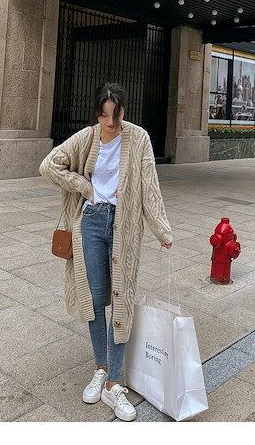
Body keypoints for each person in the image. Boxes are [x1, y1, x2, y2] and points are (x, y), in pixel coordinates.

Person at [39, 82, 173, 422]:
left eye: (116, 115)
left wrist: (161, 229)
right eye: (103, 115)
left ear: (123, 111)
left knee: (122, 298)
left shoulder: (139, 138)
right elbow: (49, 165)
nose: (110, 123)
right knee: (96, 299)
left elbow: (150, 186)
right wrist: (84, 186)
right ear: (96, 113)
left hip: (124, 226)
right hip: (91, 222)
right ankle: (101, 368)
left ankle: (114, 382)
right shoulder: (87, 137)